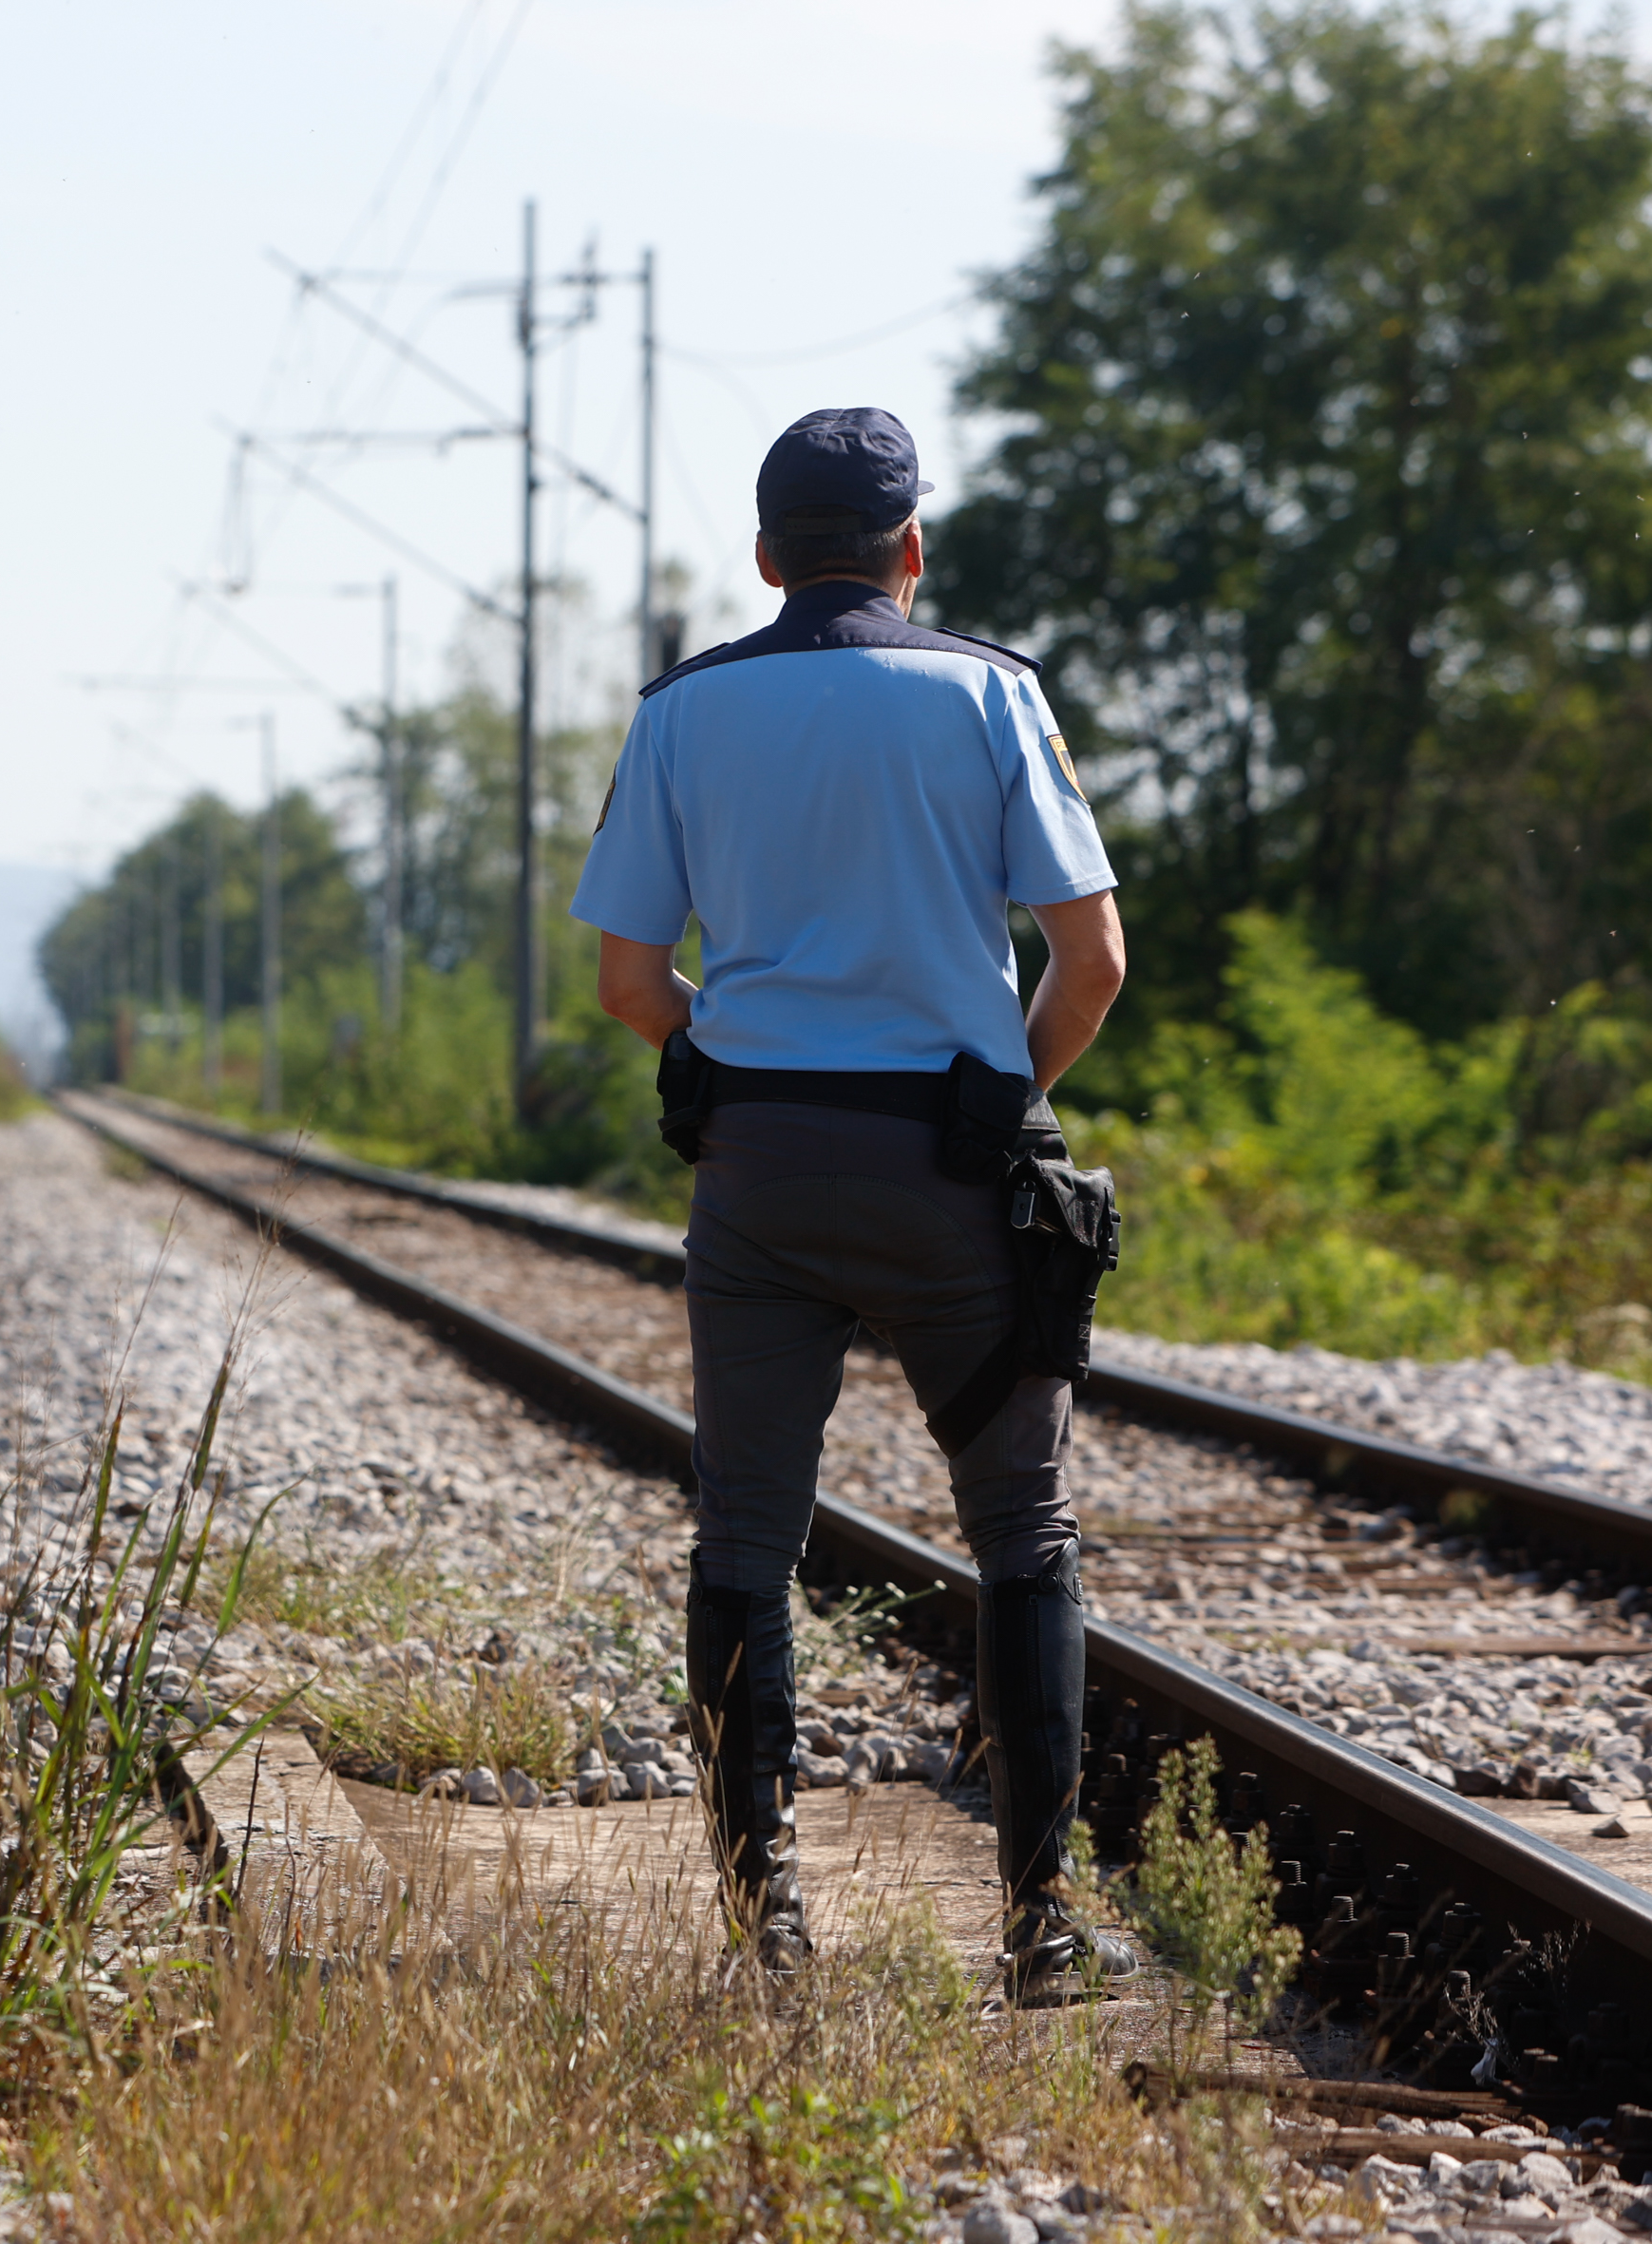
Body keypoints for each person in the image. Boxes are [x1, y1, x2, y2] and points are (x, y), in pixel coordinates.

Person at [569, 405, 1135, 1997]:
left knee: (746, 1529)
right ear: (910, 548)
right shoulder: (988, 693)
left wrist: (723, 1045)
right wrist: (1006, 1099)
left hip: (758, 1170)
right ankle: (1038, 1930)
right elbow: (1090, 961)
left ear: (764, 558)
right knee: (1020, 1525)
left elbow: (627, 980)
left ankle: (770, 1927)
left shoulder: (685, 713)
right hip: (950, 1167)